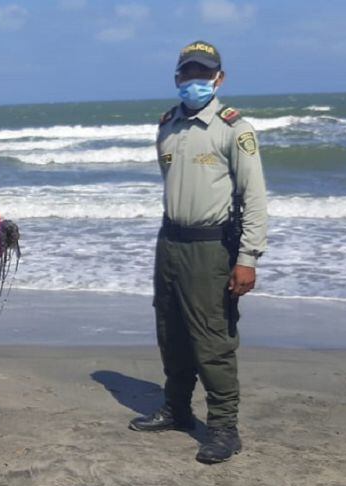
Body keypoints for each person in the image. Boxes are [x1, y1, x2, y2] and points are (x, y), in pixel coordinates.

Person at [129, 41, 269, 463]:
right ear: (177, 77)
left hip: (212, 248)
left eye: (203, 73)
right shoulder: (167, 125)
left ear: (218, 79)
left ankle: (224, 427)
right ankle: (177, 409)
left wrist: (247, 258)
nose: (195, 80)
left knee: (212, 338)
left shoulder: (234, 129)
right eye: (188, 72)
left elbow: (255, 197)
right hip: (170, 242)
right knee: (170, 331)